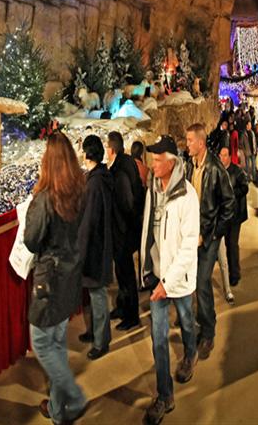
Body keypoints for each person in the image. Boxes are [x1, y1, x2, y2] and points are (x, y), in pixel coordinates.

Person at [24, 132, 88, 424]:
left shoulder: (45, 198)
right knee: (59, 342)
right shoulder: (78, 190)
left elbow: (32, 240)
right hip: (70, 276)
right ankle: (59, 411)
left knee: (41, 342)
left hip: (49, 280)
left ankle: (73, 396)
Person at [139, 136, 200, 425]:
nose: (152, 164)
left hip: (178, 277)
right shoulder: (153, 190)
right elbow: (149, 231)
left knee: (187, 321)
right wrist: (147, 269)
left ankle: (191, 352)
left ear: (171, 162)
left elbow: (189, 245)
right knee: (159, 338)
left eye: (157, 159)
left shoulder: (187, 196)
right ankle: (165, 395)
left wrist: (169, 281)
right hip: (157, 276)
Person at [185, 123, 235, 360]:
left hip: (209, 235)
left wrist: (215, 234)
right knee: (194, 283)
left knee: (202, 281)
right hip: (193, 234)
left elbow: (229, 204)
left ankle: (208, 332)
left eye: (190, 141)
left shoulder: (214, 168)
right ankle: (202, 322)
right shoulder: (190, 166)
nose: (187, 145)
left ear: (201, 143)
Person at [77, 135, 114, 360]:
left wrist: (79, 250)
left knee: (98, 294)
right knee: (94, 293)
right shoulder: (101, 178)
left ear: (87, 154)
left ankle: (101, 341)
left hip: (95, 248)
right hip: (100, 245)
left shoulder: (94, 184)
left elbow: (88, 221)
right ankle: (94, 332)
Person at [106, 131, 145, 331]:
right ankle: (123, 307)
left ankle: (131, 315)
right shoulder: (128, 162)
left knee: (126, 273)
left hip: (123, 231)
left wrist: (124, 224)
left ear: (111, 149)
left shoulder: (120, 170)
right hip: (128, 229)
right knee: (123, 272)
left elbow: (127, 202)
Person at [219, 147, 249, 287]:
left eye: (225, 155)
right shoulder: (218, 171)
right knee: (224, 245)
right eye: (221, 155)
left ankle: (234, 274)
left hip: (235, 215)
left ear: (230, 157)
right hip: (223, 215)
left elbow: (245, 188)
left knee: (232, 244)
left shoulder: (237, 171)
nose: (222, 158)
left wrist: (230, 193)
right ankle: (228, 271)